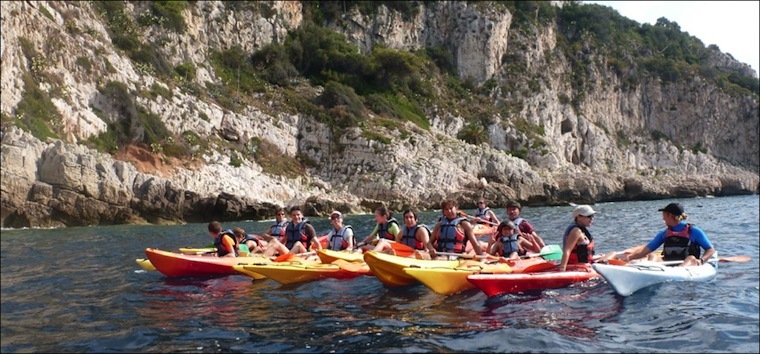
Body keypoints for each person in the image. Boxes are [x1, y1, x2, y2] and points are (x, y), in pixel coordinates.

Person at [619, 203, 715, 266]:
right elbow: (646, 250)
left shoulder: (693, 231)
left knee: (691, 258)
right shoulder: (665, 233)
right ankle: (649, 272)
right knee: (652, 255)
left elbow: (710, 249)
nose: (663, 218)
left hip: (688, 264)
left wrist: (702, 261)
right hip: (668, 263)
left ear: (670, 215)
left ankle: (679, 272)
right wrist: (629, 257)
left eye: (664, 215)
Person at [559, 205, 597, 271]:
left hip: (587, 263)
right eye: (589, 216)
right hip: (579, 266)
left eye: (592, 216)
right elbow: (567, 251)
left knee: (612, 254)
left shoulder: (581, 230)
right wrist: (562, 270)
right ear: (579, 217)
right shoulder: (576, 231)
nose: (591, 219)